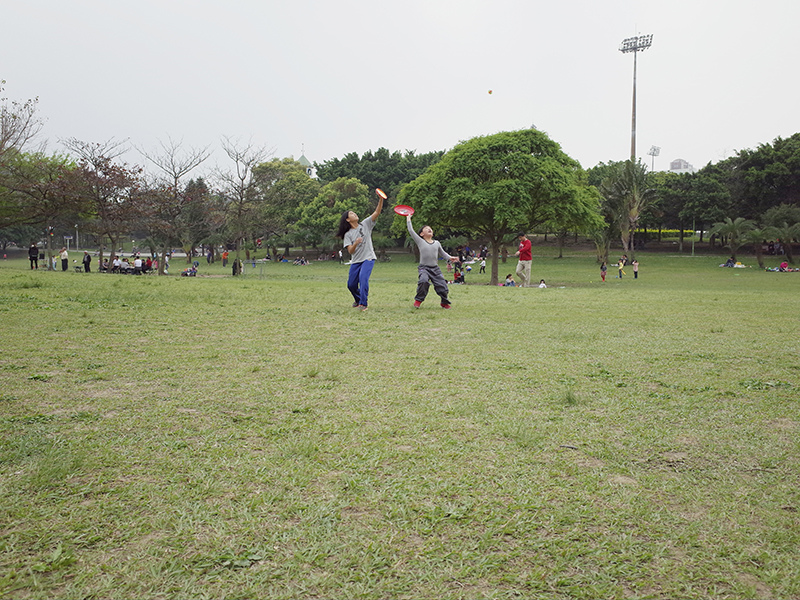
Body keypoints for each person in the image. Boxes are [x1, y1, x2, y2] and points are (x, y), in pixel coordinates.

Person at [336, 193, 384, 311]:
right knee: (351, 285)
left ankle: (363, 303)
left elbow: (376, 212)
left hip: (368, 258)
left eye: (354, 212)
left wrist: (381, 199)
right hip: (356, 261)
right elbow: (351, 251)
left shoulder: (365, 224)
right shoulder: (348, 234)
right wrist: (356, 243)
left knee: (363, 279)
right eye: (351, 214)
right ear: (347, 219)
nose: (354, 214)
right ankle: (358, 299)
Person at [406, 214, 456, 309]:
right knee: (423, 281)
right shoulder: (420, 241)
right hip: (424, 268)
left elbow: (443, 253)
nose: (430, 229)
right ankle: (418, 300)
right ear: (421, 234)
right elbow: (411, 230)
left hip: (435, 269)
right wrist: (408, 218)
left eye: (430, 228)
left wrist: (450, 258)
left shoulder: (437, 243)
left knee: (443, 286)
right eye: (427, 228)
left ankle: (444, 302)